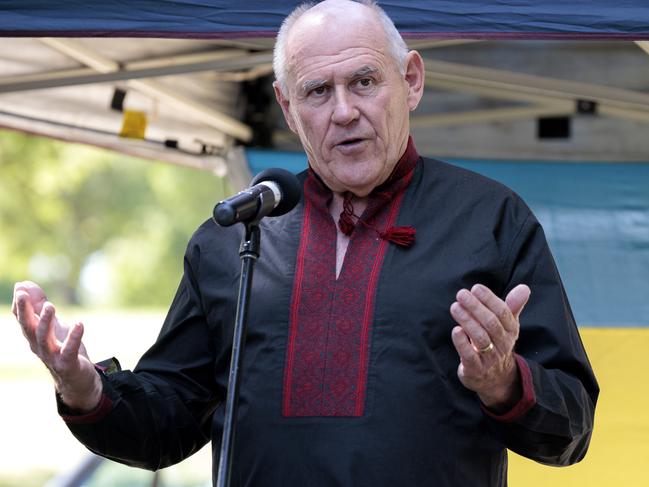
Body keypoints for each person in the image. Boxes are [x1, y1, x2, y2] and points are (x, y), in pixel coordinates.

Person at [12, 1, 598, 485]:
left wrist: (504, 382)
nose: (345, 111)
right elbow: (168, 421)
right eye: (318, 92)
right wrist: (88, 390)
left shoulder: (491, 218)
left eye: (365, 82)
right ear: (288, 109)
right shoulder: (234, 237)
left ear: (411, 81)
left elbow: (572, 426)